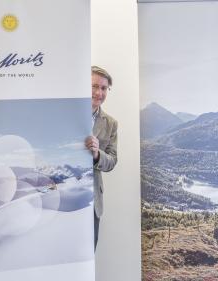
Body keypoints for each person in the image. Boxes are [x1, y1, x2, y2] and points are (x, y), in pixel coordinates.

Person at [85, 66, 118, 249]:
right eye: (94, 86)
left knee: (89, 252)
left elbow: (112, 160)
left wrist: (98, 155)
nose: (99, 93)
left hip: (93, 202)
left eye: (104, 88)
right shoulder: (67, 114)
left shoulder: (111, 124)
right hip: (65, 192)